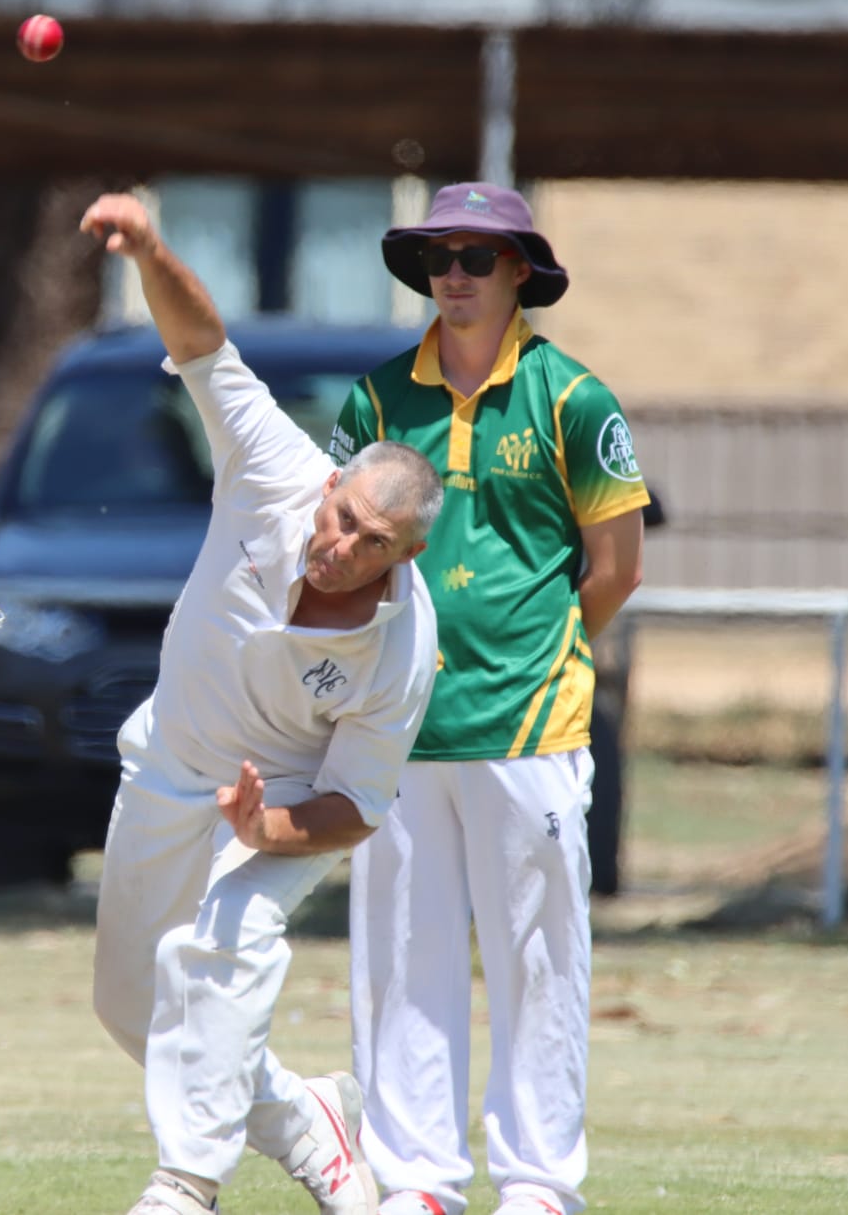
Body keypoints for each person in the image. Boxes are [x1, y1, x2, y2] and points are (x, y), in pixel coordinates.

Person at [80, 192, 445, 1215]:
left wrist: (264, 825)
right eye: (340, 516)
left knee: (223, 951)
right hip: (166, 765)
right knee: (133, 1007)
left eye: (370, 540)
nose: (338, 544)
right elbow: (201, 342)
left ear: (404, 554)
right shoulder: (272, 468)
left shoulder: (404, 647)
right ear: (327, 482)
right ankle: (312, 1132)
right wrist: (151, 249)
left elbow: (359, 807)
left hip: (283, 803)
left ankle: (184, 1183)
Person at [329, 183, 648, 1215]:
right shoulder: (376, 401)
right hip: (397, 722)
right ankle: (416, 1181)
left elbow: (613, 569)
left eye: (476, 255)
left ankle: (537, 1183)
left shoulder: (572, 399)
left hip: (529, 723)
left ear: (520, 271)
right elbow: (334, 554)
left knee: (538, 956)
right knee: (399, 952)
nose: (453, 275)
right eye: (437, 257)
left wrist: (539, 652)